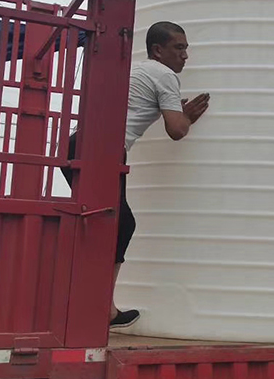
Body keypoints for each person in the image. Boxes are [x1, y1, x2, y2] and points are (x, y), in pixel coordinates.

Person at [63, 21, 209, 329]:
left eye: (186, 49)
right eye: (178, 48)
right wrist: (186, 118)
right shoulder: (165, 74)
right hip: (103, 149)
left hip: (76, 145)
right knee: (120, 224)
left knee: (102, 224)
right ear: (158, 50)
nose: (185, 56)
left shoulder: (137, 70)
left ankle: (82, 302)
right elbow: (176, 130)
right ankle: (102, 309)